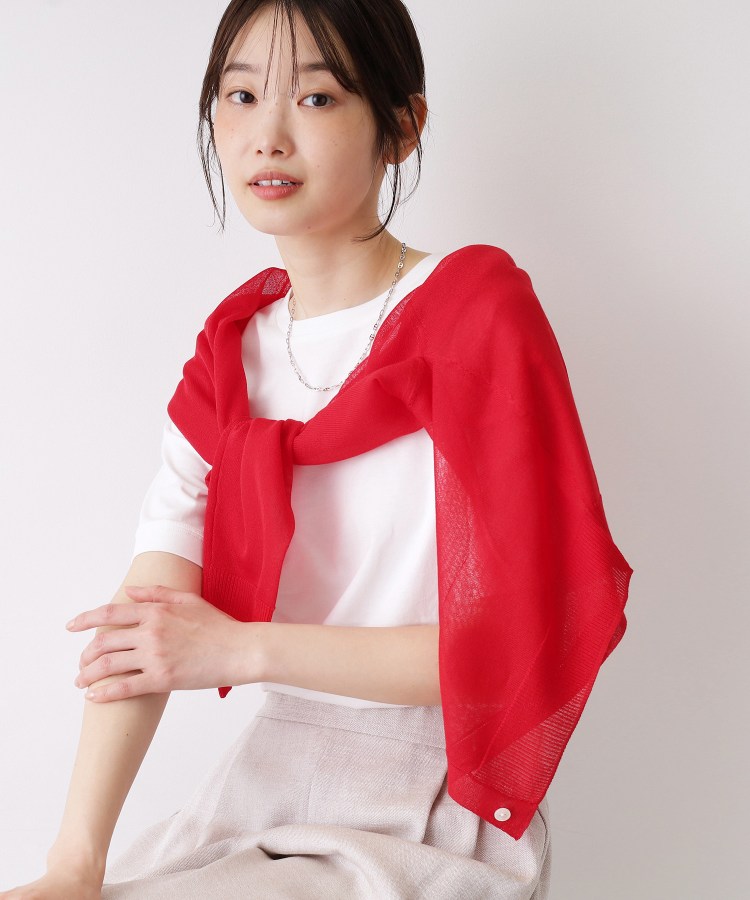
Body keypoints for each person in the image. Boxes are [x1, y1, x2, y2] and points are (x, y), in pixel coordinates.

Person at [1, 1, 632, 897]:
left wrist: (243, 649)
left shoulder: (473, 314)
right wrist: (74, 863)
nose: (268, 135)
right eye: (241, 95)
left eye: (318, 98)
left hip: (433, 799)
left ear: (401, 127)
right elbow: (147, 624)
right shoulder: (231, 356)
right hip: (259, 791)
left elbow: (519, 641)